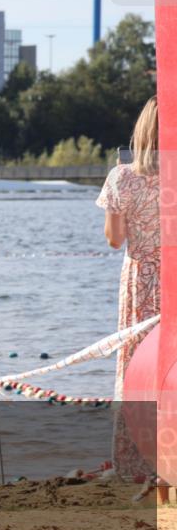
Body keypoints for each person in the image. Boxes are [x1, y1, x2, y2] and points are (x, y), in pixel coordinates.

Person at [96, 95, 166, 503]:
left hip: (140, 279)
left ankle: (140, 464)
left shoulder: (122, 177)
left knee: (137, 369)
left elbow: (114, 239)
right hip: (174, 276)